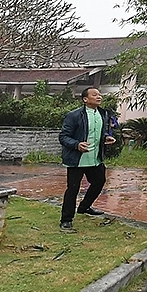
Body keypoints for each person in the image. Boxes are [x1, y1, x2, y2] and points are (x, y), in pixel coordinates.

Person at [58, 88, 118, 233]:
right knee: (73, 189)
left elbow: (100, 132)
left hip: (95, 158)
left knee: (99, 181)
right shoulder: (74, 115)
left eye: (99, 94)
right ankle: (66, 220)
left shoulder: (102, 114)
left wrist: (105, 138)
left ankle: (84, 207)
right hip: (77, 159)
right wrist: (77, 145)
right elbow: (63, 136)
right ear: (85, 99)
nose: (99, 97)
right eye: (95, 95)